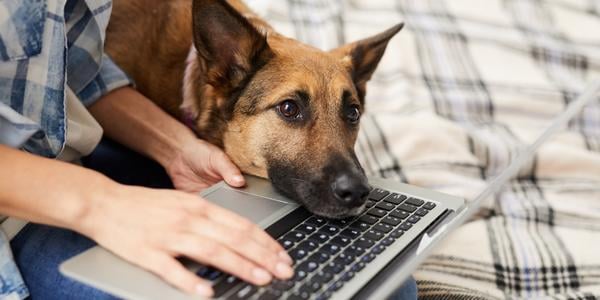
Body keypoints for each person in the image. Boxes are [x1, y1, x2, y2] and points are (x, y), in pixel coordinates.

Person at [0, 0, 417, 299]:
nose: (353, 182)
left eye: (350, 114)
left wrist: (176, 147)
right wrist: (104, 205)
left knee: (383, 278)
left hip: (70, 142)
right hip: (16, 215)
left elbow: (74, 70)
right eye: (291, 110)